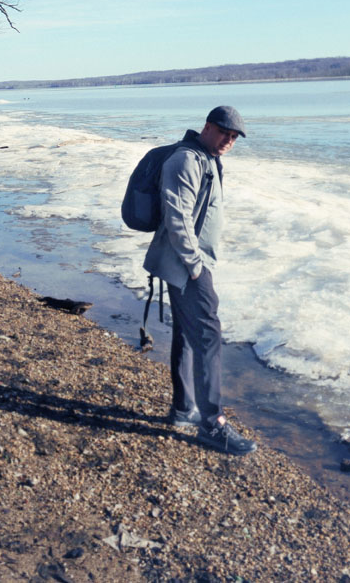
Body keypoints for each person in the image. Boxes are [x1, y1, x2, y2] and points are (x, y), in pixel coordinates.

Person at [143, 105, 257, 456]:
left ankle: (183, 409)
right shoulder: (186, 161)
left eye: (234, 137)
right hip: (186, 263)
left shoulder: (206, 159)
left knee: (188, 333)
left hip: (191, 260)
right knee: (208, 333)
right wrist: (195, 266)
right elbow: (177, 217)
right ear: (207, 127)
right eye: (224, 132)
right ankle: (212, 424)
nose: (229, 140)